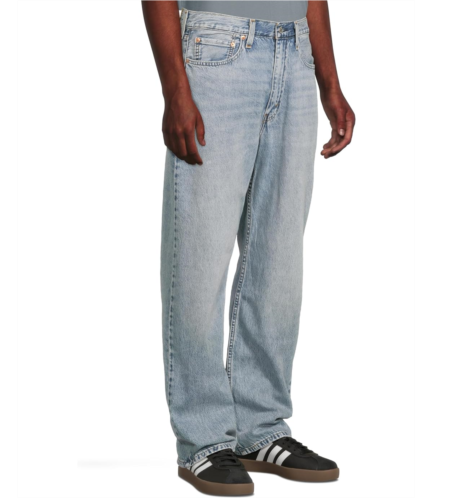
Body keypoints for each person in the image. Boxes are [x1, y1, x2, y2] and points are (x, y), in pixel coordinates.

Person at [142, 0, 355, 495]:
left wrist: (329, 82)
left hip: (296, 51)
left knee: (278, 262)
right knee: (199, 257)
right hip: (218, 50)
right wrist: (175, 89)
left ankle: (261, 428)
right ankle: (202, 439)